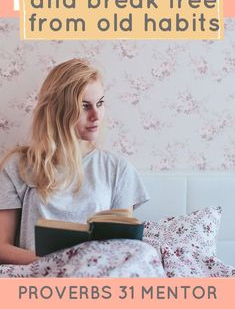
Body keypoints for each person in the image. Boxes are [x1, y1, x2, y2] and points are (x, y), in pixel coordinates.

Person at [0, 58, 149, 265]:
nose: (96, 115)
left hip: (95, 275)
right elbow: (2, 248)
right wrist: (57, 263)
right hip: (38, 273)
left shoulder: (117, 169)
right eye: (85, 106)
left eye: (100, 103)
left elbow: (122, 247)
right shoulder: (17, 166)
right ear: (58, 109)